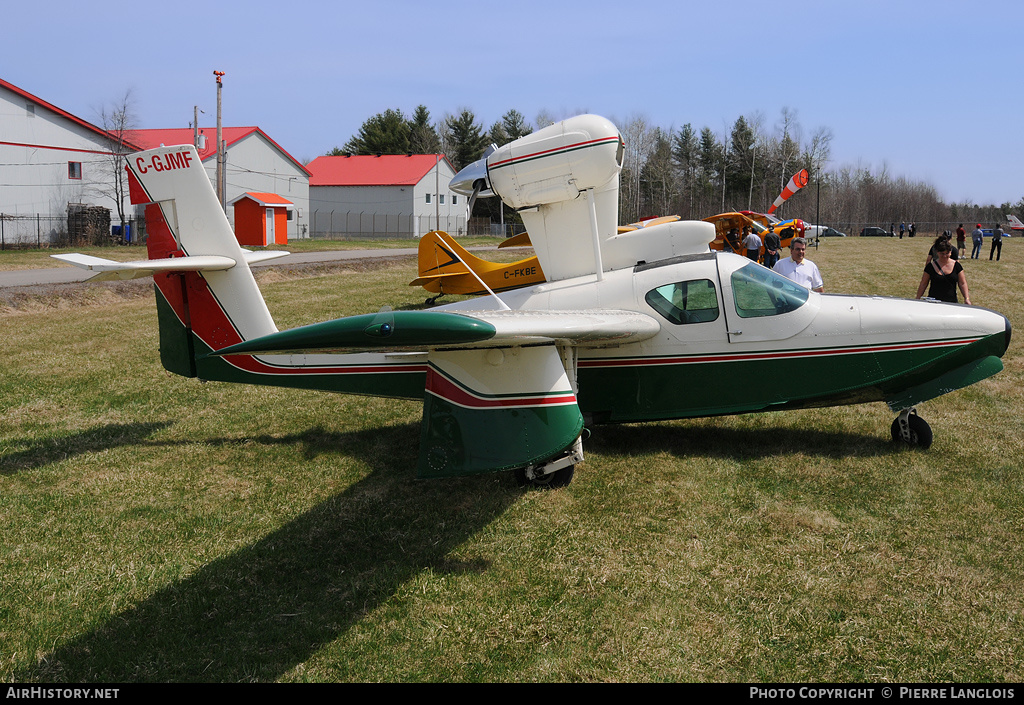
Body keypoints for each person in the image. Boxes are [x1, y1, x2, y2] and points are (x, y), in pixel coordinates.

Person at [916, 237, 971, 304]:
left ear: (950, 252)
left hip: (951, 302)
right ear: (937, 252)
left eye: (947, 253)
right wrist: (917, 299)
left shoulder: (956, 266)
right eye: (942, 253)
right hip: (933, 302)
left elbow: (962, 283)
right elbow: (923, 284)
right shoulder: (930, 267)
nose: (945, 256)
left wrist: (966, 298)